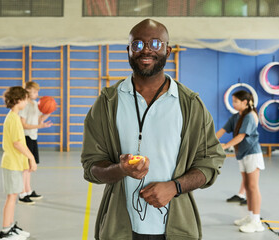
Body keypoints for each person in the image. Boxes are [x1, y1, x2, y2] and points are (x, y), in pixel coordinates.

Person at [81, 19, 225, 240]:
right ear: (128, 50)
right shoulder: (108, 102)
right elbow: (92, 166)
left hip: (176, 229)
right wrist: (120, 169)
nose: (146, 50)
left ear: (168, 50)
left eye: (155, 43)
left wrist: (175, 187)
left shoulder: (189, 104)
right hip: (120, 228)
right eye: (137, 44)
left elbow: (210, 162)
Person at [216, 90, 265, 233]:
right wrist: (209, 141)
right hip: (242, 154)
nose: (233, 104)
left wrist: (225, 146)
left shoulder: (250, 116)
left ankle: (256, 221)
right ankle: (250, 216)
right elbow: (222, 131)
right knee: (248, 187)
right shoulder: (236, 116)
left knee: (253, 187)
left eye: (235, 101)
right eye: (233, 101)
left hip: (252, 154)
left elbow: (241, 136)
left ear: (245, 102)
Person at [0, 86, 37, 240]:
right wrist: (31, 158)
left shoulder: (14, 117)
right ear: (18, 100)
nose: (27, 102)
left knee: (13, 197)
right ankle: (5, 231)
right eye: (25, 99)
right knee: (11, 198)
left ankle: (10, 226)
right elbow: (17, 144)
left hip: (15, 164)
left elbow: (20, 141)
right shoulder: (13, 119)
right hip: (11, 165)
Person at [18, 82, 52, 205]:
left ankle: (28, 190)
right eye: (35, 92)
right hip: (25, 137)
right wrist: (39, 126)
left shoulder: (34, 104)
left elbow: (39, 119)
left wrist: (49, 111)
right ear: (28, 91)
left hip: (32, 137)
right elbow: (23, 124)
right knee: (25, 167)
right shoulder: (25, 105)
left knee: (30, 168)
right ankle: (22, 194)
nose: (37, 94)